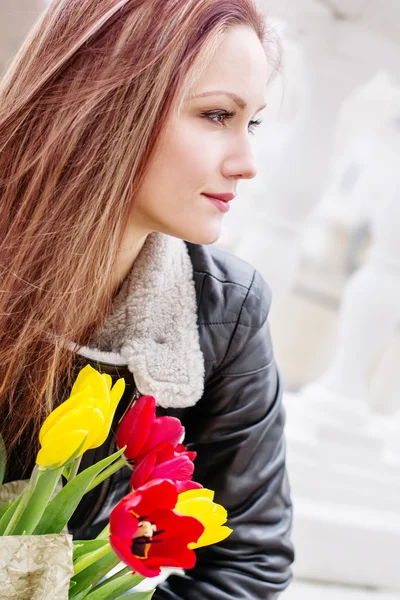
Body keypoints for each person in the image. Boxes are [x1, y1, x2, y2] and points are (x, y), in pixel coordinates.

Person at [0, 0, 294, 597]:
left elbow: (248, 561)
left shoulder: (224, 312)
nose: (247, 163)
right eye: (216, 115)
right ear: (106, 104)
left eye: (252, 122)